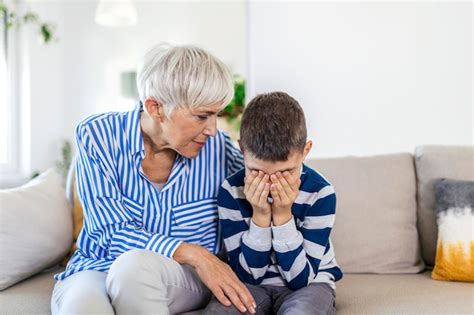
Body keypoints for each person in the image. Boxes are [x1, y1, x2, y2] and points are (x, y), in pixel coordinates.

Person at [51, 44, 257, 314]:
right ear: (155, 107)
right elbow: (107, 233)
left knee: (133, 269)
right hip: (97, 267)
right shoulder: (98, 135)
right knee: (82, 309)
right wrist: (197, 254)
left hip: (181, 276)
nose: (212, 129)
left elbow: (272, 180)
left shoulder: (220, 149)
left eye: (216, 114)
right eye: (202, 116)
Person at [204, 92, 343, 315]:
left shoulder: (320, 193)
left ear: (305, 151)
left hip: (310, 285)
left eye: (285, 172)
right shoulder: (231, 191)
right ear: (242, 149)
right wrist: (259, 215)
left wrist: (282, 216)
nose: (270, 183)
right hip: (251, 285)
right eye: (256, 171)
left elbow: (300, 279)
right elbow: (249, 276)